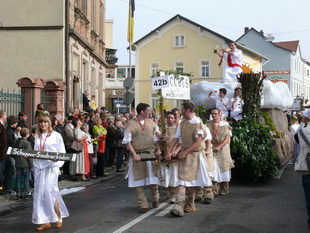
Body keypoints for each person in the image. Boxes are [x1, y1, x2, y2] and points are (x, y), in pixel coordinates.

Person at [165, 102, 212, 217]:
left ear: (187, 110)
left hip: (195, 155)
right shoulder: (182, 123)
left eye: (182, 110)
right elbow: (176, 138)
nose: (180, 112)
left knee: (191, 181)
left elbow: (198, 143)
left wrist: (185, 152)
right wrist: (169, 151)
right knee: (182, 180)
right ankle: (180, 205)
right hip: (185, 155)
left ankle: (189, 203)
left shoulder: (198, 124)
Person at [122, 103, 162, 213]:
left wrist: (163, 139)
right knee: (138, 181)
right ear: (142, 112)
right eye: (148, 111)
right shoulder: (130, 124)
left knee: (153, 179)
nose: (150, 113)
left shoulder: (151, 122)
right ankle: (142, 204)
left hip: (150, 155)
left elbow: (158, 136)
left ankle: (155, 198)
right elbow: (127, 142)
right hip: (138, 156)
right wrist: (134, 154)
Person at [32, 115, 69, 231]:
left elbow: (62, 152)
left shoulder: (56, 135)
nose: (43, 124)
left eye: (45, 122)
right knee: (40, 194)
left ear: (49, 123)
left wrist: (57, 159)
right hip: (40, 168)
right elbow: (36, 152)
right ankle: (45, 221)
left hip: (52, 167)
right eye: (41, 122)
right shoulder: (37, 136)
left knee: (50, 192)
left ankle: (58, 217)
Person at [206, 108, 234, 196]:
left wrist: (219, 146)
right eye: (212, 114)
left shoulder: (225, 125)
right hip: (212, 147)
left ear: (219, 114)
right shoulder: (208, 124)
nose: (213, 115)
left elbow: (227, 138)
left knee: (224, 167)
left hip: (223, 148)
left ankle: (224, 188)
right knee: (213, 168)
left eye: (215, 113)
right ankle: (214, 189)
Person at [158, 111, 182, 204]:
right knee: (166, 176)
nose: (170, 119)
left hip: (174, 156)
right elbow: (158, 142)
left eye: (172, 118)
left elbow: (181, 143)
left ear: (175, 119)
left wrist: (175, 152)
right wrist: (159, 150)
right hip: (165, 156)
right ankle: (171, 192)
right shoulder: (162, 129)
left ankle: (174, 194)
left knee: (174, 176)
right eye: (168, 118)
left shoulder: (177, 129)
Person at [294, 109, 310, 228]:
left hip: (307, 168)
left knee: (309, 198)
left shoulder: (302, 131)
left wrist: (303, 123)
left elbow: (296, 139)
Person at [13, 128, 33, 199]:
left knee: (18, 179)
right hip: (26, 164)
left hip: (18, 163)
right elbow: (29, 155)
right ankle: (26, 192)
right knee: (26, 179)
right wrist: (31, 165)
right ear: (27, 135)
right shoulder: (27, 143)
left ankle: (18, 193)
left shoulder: (16, 142)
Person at [0, 110, 8, 193]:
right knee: (0, 172)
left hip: (2, 153)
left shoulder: (2, 125)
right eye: (5, 115)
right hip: (1, 153)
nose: (6, 117)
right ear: (2, 116)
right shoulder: (0, 125)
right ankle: (0, 189)